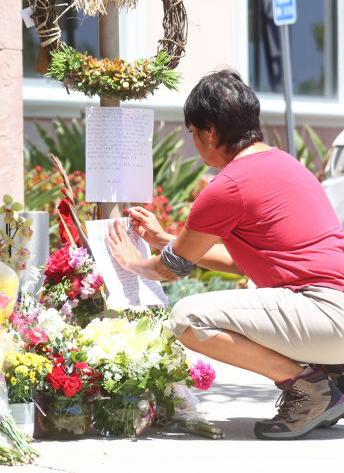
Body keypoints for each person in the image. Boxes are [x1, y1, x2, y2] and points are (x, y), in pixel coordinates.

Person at [105, 69, 344, 440]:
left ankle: (311, 388)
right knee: (249, 287)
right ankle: (333, 376)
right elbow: (242, 261)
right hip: (332, 312)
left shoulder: (228, 186)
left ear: (211, 131)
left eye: (193, 132)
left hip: (329, 315)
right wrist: (165, 237)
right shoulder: (285, 164)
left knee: (186, 319)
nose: (195, 142)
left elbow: (169, 270)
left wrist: (127, 261)